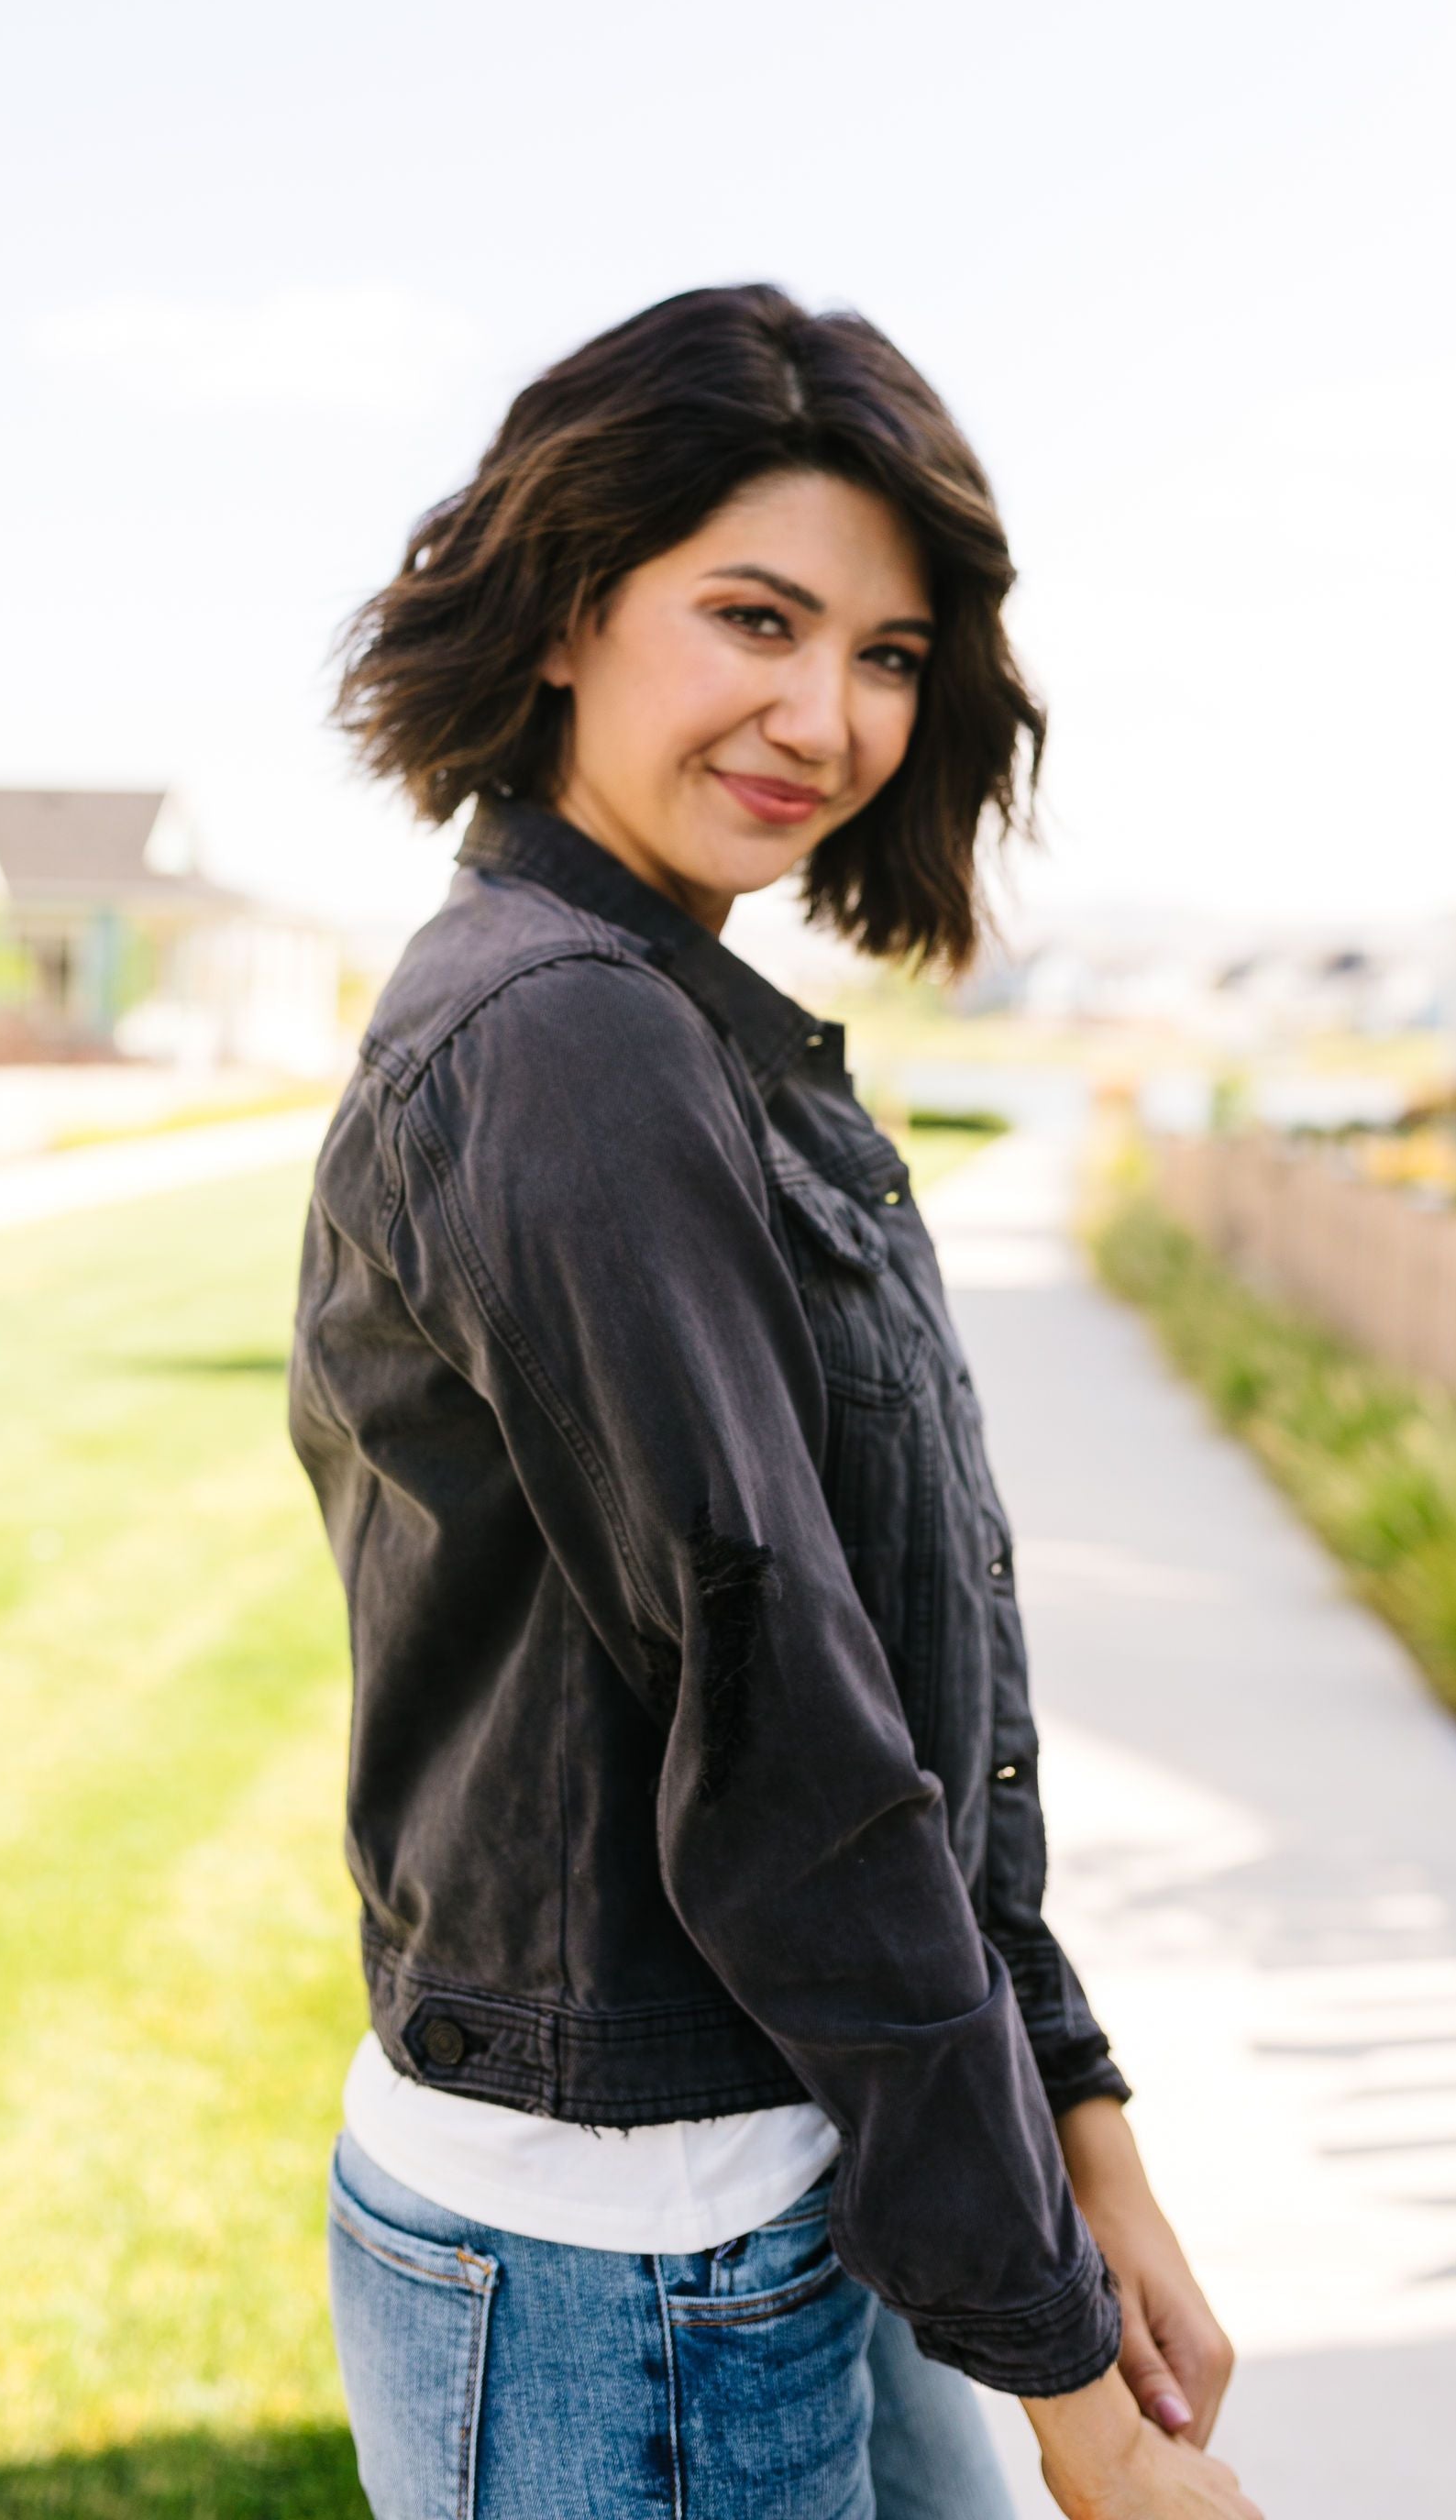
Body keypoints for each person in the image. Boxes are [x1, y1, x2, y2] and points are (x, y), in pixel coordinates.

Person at [290, 284, 1262, 2520]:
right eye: (755, 616)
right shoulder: (564, 1044)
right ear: (563, 605)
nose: (824, 714)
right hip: (631, 2269)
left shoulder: (682, 1022)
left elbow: (916, 1681)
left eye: (891, 655)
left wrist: (1081, 2144)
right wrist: (1079, 2405)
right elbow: (788, 1726)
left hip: (792, 2183)